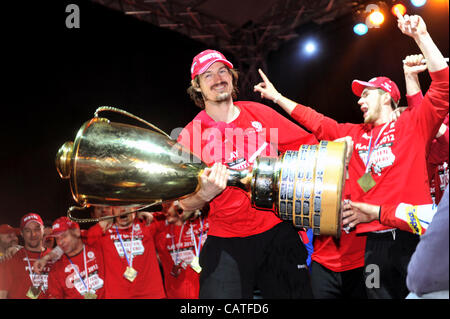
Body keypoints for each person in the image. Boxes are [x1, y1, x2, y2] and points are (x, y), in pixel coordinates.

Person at [254, 14, 448, 299]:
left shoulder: (412, 125)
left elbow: (443, 86)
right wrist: (278, 98)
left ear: (386, 95)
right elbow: (318, 122)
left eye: (366, 94)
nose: (359, 100)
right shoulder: (356, 135)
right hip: (371, 246)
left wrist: (421, 36)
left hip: (410, 238)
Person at [177, 49, 316, 299]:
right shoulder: (189, 136)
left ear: (232, 77)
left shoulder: (258, 113)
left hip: (277, 231)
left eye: (222, 71)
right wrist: (205, 193)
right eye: (207, 75)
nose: (217, 78)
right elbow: (185, 203)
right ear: (196, 86)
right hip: (228, 238)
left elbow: (308, 147)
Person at [341, 186, 449, 299]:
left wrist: (379, 212)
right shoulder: (362, 175)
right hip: (375, 238)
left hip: (410, 235)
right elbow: (363, 186)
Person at [390, 53, 449, 205]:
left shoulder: (425, 136)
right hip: (399, 220)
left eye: (366, 95)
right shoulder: (365, 139)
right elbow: (368, 181)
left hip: (432, 217)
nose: (361, 101)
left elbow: (426, 122)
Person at [86, 206, 166, 298]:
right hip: (119, 296)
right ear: (112, 210)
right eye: (117, 207)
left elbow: (170, 215)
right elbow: (89, 239)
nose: (122, 210)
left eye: (127, 206)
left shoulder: (146, 224)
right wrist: (100, 225)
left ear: (135, 207)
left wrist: (147, 213)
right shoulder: (104, 231)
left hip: (151, 295)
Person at [152, 201, 208, 299]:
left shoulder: (205, 218)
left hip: (210, 291)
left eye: (169, 205)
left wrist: (195, 205)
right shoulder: (159, 223)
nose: (165, 210)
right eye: (163, 206)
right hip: (176, 294)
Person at [46, 217, 105, 299]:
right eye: (57, 238)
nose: (60, 242)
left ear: (77, 232)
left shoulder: (98, 249)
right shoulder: (56, 269)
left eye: (64, 235)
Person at [0, 213, 53, 299]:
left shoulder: (56, 258)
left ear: (43, 230)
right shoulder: (9, 259)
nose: (33, 234)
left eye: (37, 229)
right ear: (21, 233)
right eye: (28, 230)